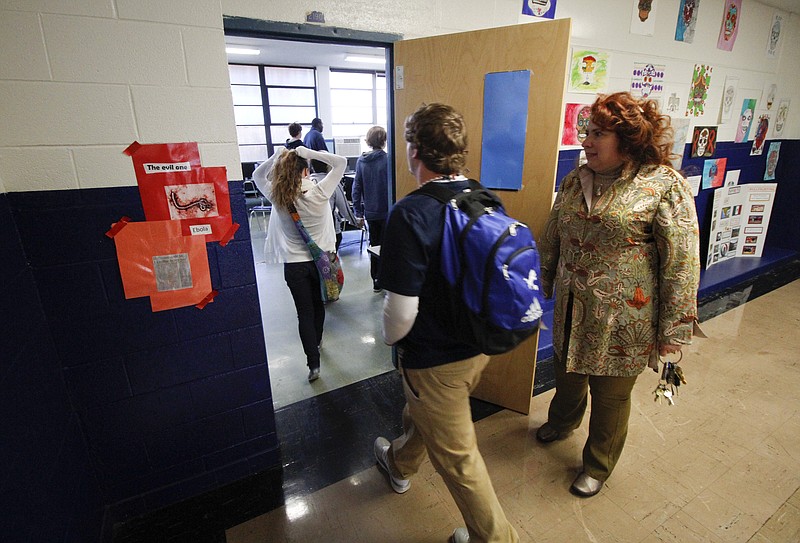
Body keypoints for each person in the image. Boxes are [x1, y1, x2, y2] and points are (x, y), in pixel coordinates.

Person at [536, 91, 700, 497]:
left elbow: (681, 260)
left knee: (610, 397)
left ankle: (598, 464)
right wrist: (540, 281)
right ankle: (563, 422)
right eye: (586, 132)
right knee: (567, 376)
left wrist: (674, 328)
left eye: (596, 134)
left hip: (625, 318)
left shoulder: (663, 185)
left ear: (627, 139)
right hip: (573, 309)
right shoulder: (576, 179)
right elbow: (553, 231)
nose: (585, 141)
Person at [374, 103, 519, 543]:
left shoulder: (411, 212)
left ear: (414, 150)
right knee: (430, 415)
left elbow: (400, 315)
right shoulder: (482, 195)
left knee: (460, 460)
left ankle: (495, 540)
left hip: (434, 360)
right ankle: (399, 463)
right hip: (478, 346)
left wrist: (389, 340)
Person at [252, 145, 346, 382]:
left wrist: (277, 155)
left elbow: (256, 176)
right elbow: (341, 162)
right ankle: (318, 339)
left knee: (303, 312)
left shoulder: (278, 196)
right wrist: (309, 152)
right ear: (306, 172)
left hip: (294, 266)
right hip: (321, 263)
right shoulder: (319, 192)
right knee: (318, 305)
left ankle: (313, 364)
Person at [352, 125, 389, 292]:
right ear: (384, 140)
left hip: (371, 213)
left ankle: (376, 280)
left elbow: (356, 188)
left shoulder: (361, 161)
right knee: (389, 246)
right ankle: (389, 279)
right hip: (388, 212)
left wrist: (358, 213)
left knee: (374, 245)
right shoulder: (388, 160)